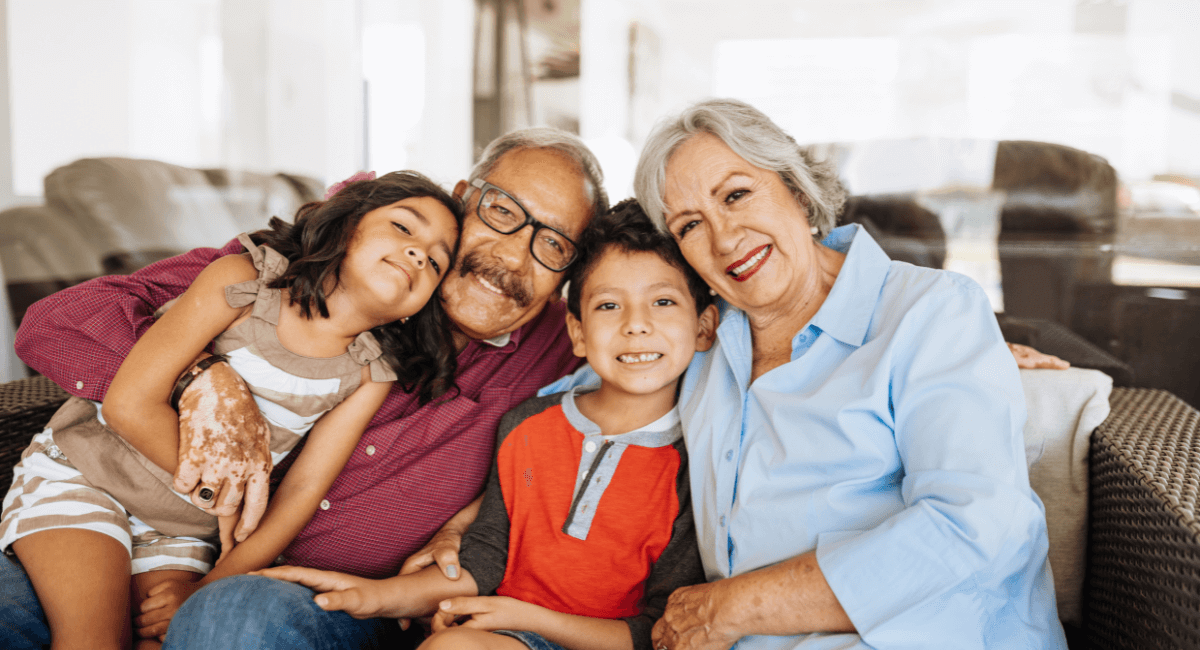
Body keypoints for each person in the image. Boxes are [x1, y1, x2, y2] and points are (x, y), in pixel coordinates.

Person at [4, 128, 606, 650]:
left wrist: (472, 520)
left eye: (553, 244)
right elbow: (54, 326)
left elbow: (657, 331)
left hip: (311, 598)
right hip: (119, 505)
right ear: (462, 199)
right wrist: (196, 378)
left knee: (229, 618)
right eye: (502, 211)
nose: (511, 254)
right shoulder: (303, 270)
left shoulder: (563, 340)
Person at [622, 98, 1066, 649]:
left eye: (736, 195)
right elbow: (584, 356)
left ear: (798, 190)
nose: (725, 239)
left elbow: (974, 527)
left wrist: (734, 606)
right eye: (690, 225)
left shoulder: (929, 315)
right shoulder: (698, 342)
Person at [0, 170, 463, 649]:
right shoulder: (245, 283)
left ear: (418, 307)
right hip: (91, 478)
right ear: (345, 226)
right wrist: (220, 493)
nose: (417, 253)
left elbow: (302, 491)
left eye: (434, 261)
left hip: (182, 532)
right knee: (92, 640)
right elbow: (128, 406)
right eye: (404, 228)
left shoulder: (370, 373)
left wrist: (207, 586)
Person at [259, 200, 715, 650]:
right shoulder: (527, 425)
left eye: (663, 301)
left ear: (704, 326)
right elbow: (484, 559)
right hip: (501, 633)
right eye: (609, 305)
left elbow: (659, 630)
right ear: (576, 332)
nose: (637, 324)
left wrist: (525, 617)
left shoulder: (696, 464)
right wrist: (369, 596)